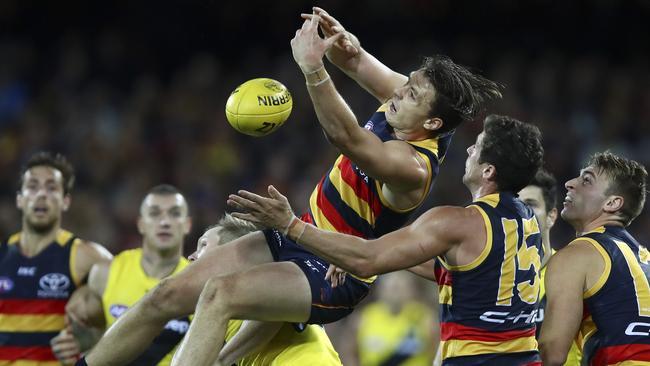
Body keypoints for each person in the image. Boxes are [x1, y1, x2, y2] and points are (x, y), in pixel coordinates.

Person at [80, 8, 502, 366]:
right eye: (407, 82)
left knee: (218, 295)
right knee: (165, 296)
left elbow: (347, 137)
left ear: (431, 124)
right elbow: (355, 63)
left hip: (335, 271)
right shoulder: (410, 108)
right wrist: (341, 45)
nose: (399, 91)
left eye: (412, 93)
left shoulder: (412, 167)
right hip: (299, 232)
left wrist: (312, 68)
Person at [221, 114, 545, 365]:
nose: (470, 149)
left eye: (478, 144)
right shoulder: (525, 218)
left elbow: (367, 258)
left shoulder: (456, 221)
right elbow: (452, 271)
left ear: (488, 171)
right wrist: (362, 258)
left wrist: (290, 225)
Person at [51, 184, 193, 366]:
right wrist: (76, 346)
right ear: (141, 224)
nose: (164, 222)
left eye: (174, 214)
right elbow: (91, 337)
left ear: (187, 225)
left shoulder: (194, 280)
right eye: (155, 213)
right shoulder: (106, 273)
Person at [0, 151, 112, 364]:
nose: (41, 194)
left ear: (65, 201)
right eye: (32, 186)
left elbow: (125, 311)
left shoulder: (86, 257)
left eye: (51, 188)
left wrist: (91, 343)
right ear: (19, 199)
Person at [186, 214, 342, 366]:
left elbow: (277, 306)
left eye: (204, 245)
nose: (191, 257)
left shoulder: (267, 282)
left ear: (232, 252)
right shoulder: (220, 309)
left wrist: (221, 360)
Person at [539, 152, 649, 366]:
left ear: (612, 203)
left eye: (586, 180)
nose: (570, 183)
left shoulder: (577, 255)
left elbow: (551, 353)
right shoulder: (643, 259)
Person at [518, 170, 581, 365]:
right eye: (515, 205)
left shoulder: (575, 274)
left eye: (530, 204)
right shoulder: (490, 278)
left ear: (551, 216)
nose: (521, 212)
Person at [355, 271, 436, 366]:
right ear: (380, 289)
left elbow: (436, 356)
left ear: (411, 290)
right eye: (392, 287)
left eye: (400, 288)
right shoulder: (364, 318)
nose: (395, 294)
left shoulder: (424, 318)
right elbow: (349, 352)